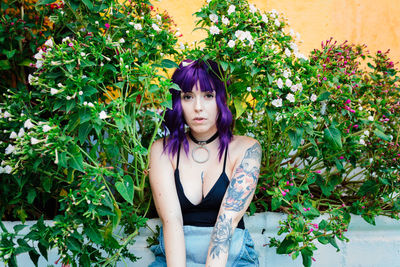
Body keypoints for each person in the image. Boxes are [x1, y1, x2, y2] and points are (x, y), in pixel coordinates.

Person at [148, 59, 261, 266]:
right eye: (188, 96)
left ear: (222, 100)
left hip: (231, 258)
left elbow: (227, 222)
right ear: (177, 102)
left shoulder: (246, 149)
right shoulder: (162, 150)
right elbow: (172, 221)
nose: (198, 107)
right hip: (175, 259)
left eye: (208, 95)